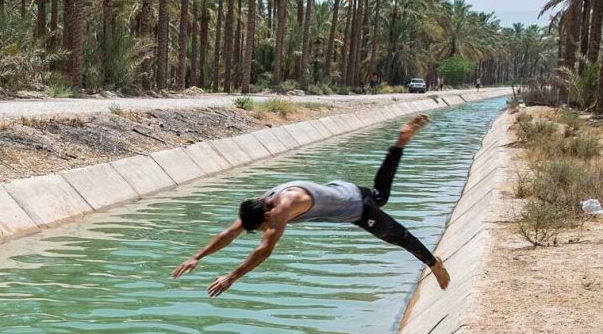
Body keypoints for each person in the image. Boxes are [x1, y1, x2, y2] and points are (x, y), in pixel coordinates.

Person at [172, 115, 451, 297]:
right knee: (380, 195)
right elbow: (230, 233)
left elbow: (264, 250)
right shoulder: (262, 201)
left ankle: (432, 262)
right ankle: (399, 145)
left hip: (356, 207)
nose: (266, 230)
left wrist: (231, 277)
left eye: (264, 226)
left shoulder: (282, 207)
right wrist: (199, 256)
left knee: (395, 235)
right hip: (345, 190)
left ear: (268, 215)